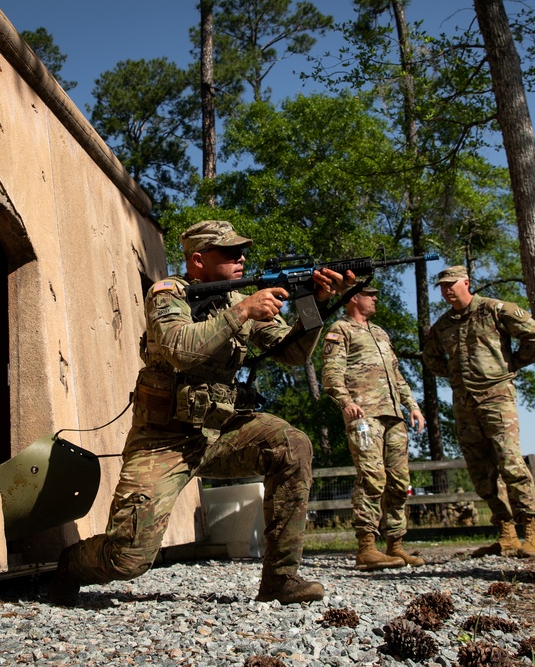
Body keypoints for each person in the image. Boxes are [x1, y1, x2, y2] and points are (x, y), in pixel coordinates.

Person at [48, 220, 353, 606]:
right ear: (197, 260)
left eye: (242, 251)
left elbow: (292, 353)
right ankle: (70, 564)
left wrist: (314, 303)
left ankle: (280, 580)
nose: (240, 258)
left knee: (292, 446)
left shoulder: (238, 298)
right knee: (127, 557)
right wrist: (242, 311)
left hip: (219, 433)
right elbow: (179, 348)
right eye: (228, 253)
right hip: (163, 441)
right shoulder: (168, 294)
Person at [422, 265, 535, 558]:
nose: (446, 290)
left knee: (510, 462)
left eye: (451, 284)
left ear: (466, 282)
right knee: (480, 469)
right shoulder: (442, 326)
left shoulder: (494, 310)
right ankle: (506, 532)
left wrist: (512, 363)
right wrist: (457, 377)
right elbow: (431, 359)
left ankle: (533, 531)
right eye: (442, 286)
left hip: (497, 398)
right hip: (464, 404)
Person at [321, 286, 427, 570]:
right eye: (370, 294)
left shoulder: (380, 332)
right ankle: (366, 547)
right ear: (353, 297)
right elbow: (331, 373)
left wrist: (412, 406)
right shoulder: (340, 329)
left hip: (393, 415)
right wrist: (345, 402)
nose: (376, 298)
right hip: (364, 415)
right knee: (372, 477)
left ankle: (396, 545)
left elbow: (396, 374)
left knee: (399, 480)